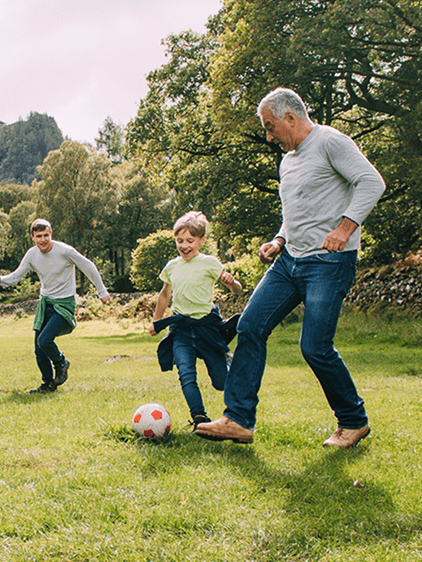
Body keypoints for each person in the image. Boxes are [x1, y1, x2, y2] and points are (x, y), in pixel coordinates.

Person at [195, 87, 386, 447]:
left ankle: (353, 421)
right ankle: (238, 419)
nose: (269, 136)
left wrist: (345, 228)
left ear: (291, 118)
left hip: (328, 263)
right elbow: (296, 210)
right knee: (250, 326)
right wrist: (279, 239)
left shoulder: (331, 142)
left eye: (270, 127)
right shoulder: (288, 160)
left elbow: (372, 182)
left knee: (315, 346)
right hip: (290, 261)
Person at [0, 219, 111, 394]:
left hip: (64, 304)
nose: (43, 240)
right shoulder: (32, 255)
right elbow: (16, 277)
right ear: (33, 237)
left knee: (44, 340)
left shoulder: (65, 251)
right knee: (39, 349)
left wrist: (102, 292)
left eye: (46, 235)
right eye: (39, 236)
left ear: (51, 234)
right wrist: (0, 279)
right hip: (46, 303)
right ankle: (47, 384)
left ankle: (61, 362)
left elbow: (89, 267)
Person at [148, 211, 243, 429]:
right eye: (179, 241)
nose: (184, 245)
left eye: (190, 241)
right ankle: (200, 418)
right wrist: (156, 320)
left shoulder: (209, 263)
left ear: (201, 240)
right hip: (181, 329)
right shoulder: (172, 266)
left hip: (206, 329)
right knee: (186, 374)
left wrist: (231, 282)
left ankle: (237, 401)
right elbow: (164, 294)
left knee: (221, 383)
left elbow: (237, 290)